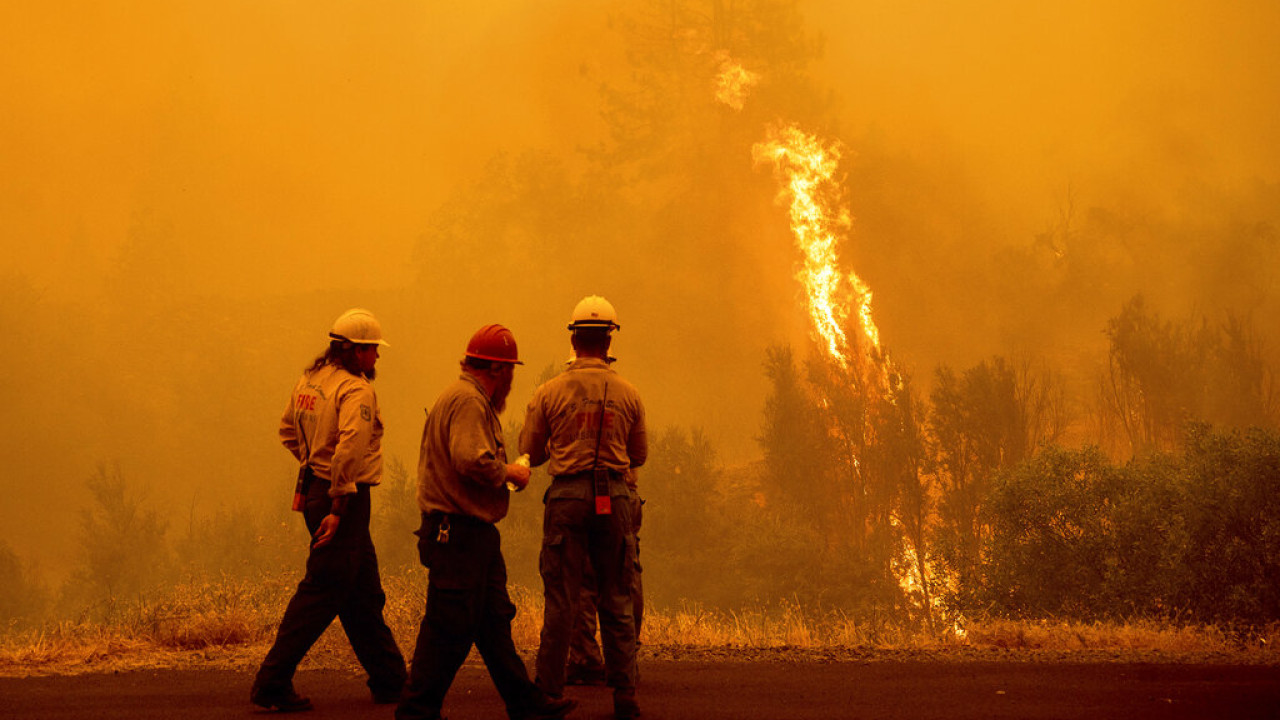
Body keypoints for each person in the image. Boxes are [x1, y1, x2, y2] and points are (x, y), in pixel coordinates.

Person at [397, 324, 578, 720]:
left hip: (472, 535)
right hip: (458, 533)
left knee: (493, 624)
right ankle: (416, 710)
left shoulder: (462, 397)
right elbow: (470, 459)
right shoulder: (469, 402)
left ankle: (527, 705)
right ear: (497, 369)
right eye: (510, 370)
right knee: (448, 627)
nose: (511, 378)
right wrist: (510, 472)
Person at [251, 308, 407, 712]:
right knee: (321, 592)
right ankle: (271, 682)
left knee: (362, 594)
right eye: (372, 350)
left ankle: (391, 680)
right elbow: (351, 447)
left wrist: (314, 466)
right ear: (354, 352)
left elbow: (287, 429)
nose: (377, 357)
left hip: (317, 489)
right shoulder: (356, 391)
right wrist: (338, 503)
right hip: (344, 500)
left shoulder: (310, 380)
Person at [521, 296, 647, 720]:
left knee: (562, 599)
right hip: (614, 498)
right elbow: (640, 454)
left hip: (567, 499)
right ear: (609, 338)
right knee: (618, 598)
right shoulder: (629, 393)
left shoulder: (548, 392)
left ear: (573, 338)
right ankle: (625, 695)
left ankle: (548, 691)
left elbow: (532, 453)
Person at [565, 473, 644, 687]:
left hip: (582, 489)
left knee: (583, 575)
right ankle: (625, 660)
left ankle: (585, 659)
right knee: (625, 572)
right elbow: (639, 453)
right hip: (625, 491)